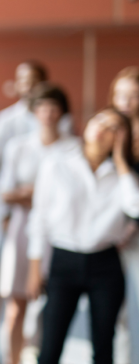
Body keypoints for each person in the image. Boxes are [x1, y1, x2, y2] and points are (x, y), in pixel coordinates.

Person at [0, 60, 72, 361]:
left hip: (57, 225)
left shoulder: (68, 136)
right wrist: (5, 211)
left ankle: (39, 351)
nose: (28, 86)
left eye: (35, 80)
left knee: (49, 296)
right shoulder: (7, 125)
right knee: (3, 290)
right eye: (23, 80)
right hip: (15, 221)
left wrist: (37, 195)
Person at [26, 107, 137, 364]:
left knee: (103, 347)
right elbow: (39, 217)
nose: (102, 128)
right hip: (64, 261)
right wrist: (34, 267)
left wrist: (121, 162)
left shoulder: (124, 175)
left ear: (121, 139)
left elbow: (135, 207)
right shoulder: (57, 162)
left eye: (113, 128)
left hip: (105, 264)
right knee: (50, 346)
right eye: (100, 120)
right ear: (87, 125)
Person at [0, 83, 76, 364]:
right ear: (34, 111)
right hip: (22, 228)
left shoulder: (73, 147)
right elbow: (4, 191)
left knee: (51, 303)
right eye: (42, 108)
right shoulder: (18, 146)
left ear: (62, 112)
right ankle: (12, 358)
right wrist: (35, 194)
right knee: (16, 303)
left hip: (59, 230)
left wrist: (36, 194)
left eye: (53, 108)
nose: (47, 114)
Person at [108, 66, 139, 363]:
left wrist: (131, 228)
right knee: (117, 311)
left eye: (133, 96)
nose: (125, 102)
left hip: (133, 234)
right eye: (121, 95)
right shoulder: (108, 130)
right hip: (110, 232)